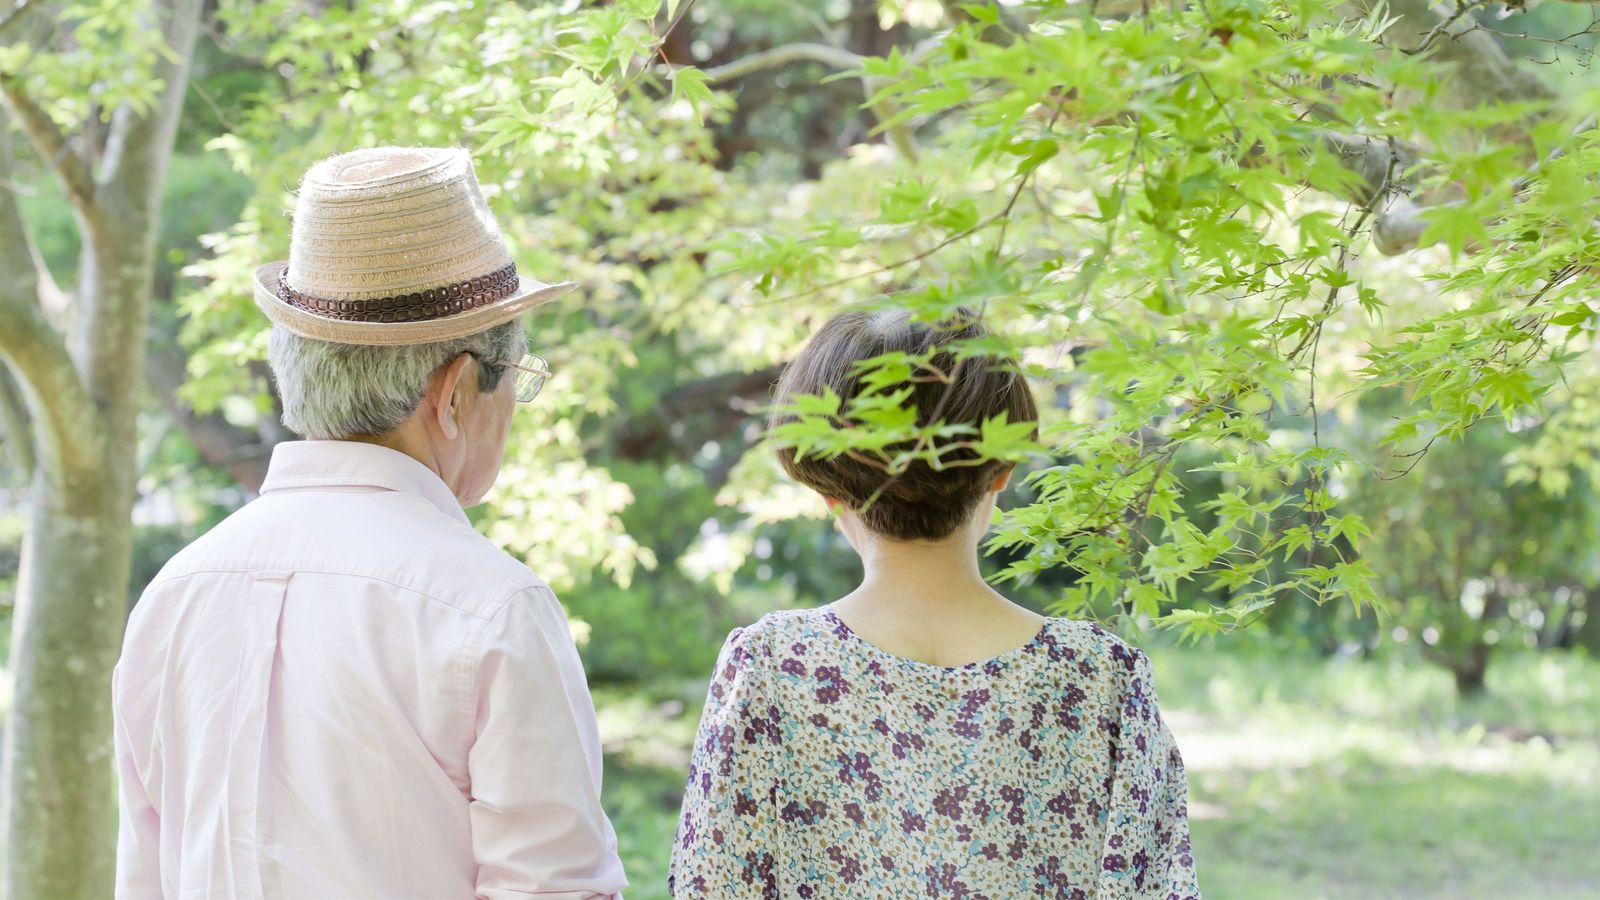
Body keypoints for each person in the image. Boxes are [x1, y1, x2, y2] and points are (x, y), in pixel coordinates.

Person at [112, 147, 626, 899]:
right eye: (514, 378)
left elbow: (143, 879)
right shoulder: (490, 608)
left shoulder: (173, 596)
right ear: (453, 394)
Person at [668, 308, 1200, 898]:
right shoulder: (1101, 678)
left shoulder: (769, 666)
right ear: (1001, 469)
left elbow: (711, 884)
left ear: (825, 488)